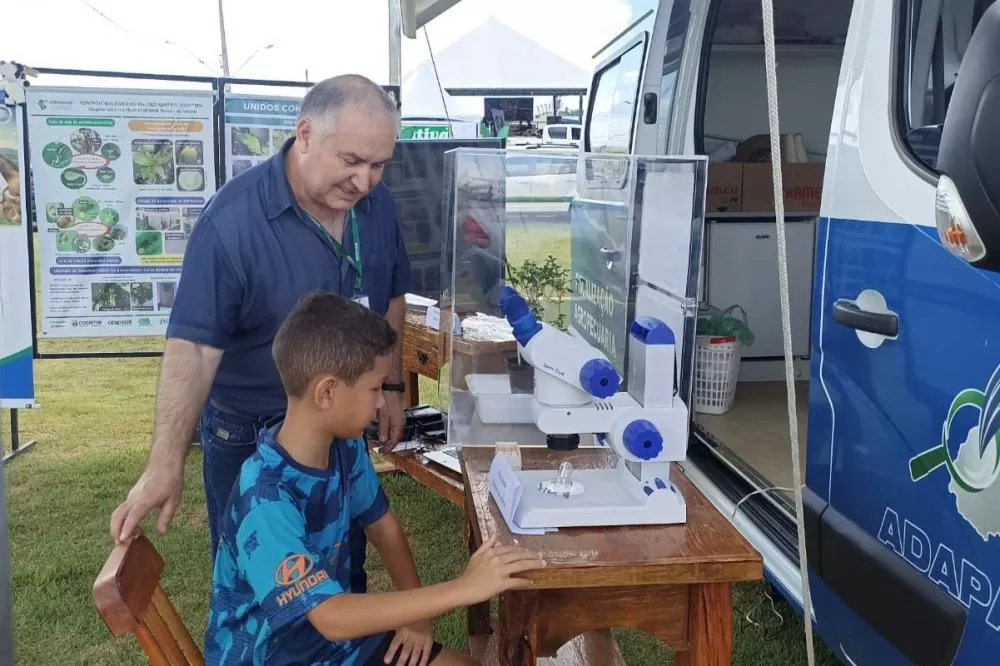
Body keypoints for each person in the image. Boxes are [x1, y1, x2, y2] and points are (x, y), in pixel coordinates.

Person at [109, 74, 410, 596]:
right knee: (259, 591)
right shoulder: (232, 222)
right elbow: (195, 349)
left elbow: (392, 301)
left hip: (340, 425)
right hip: (250, 433)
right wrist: (164, 464)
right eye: (351, 161)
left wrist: (390, 389)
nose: (364, 182)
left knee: (340, 567)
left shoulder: (377, 207)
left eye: (378, 165)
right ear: (306, 134)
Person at [204, 291, 545, 666]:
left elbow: (384, 529)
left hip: (328, 646)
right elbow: (331, 616)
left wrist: (417, 618)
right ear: (327, 391)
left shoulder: (344, 446)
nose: (383, 402)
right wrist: (463, 589)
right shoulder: (265, 498)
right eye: (375, 388)